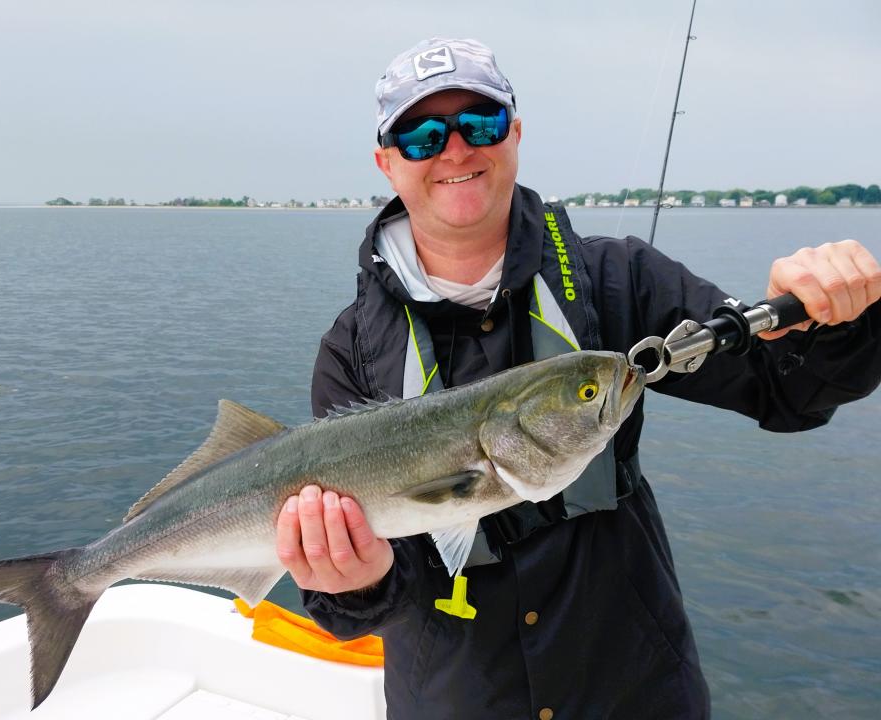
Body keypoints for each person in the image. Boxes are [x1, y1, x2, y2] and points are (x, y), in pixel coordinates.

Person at [275, 38, 881, 719]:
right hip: (455, 699)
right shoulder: (351, 350)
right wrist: (357, 582)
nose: (455, 150)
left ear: (516, 133)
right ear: (387, 162)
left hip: (635, 691)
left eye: (481, 122)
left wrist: (829, 321)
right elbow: (350, 603)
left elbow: (786, 392)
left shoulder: (617, 281)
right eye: (420, 135)